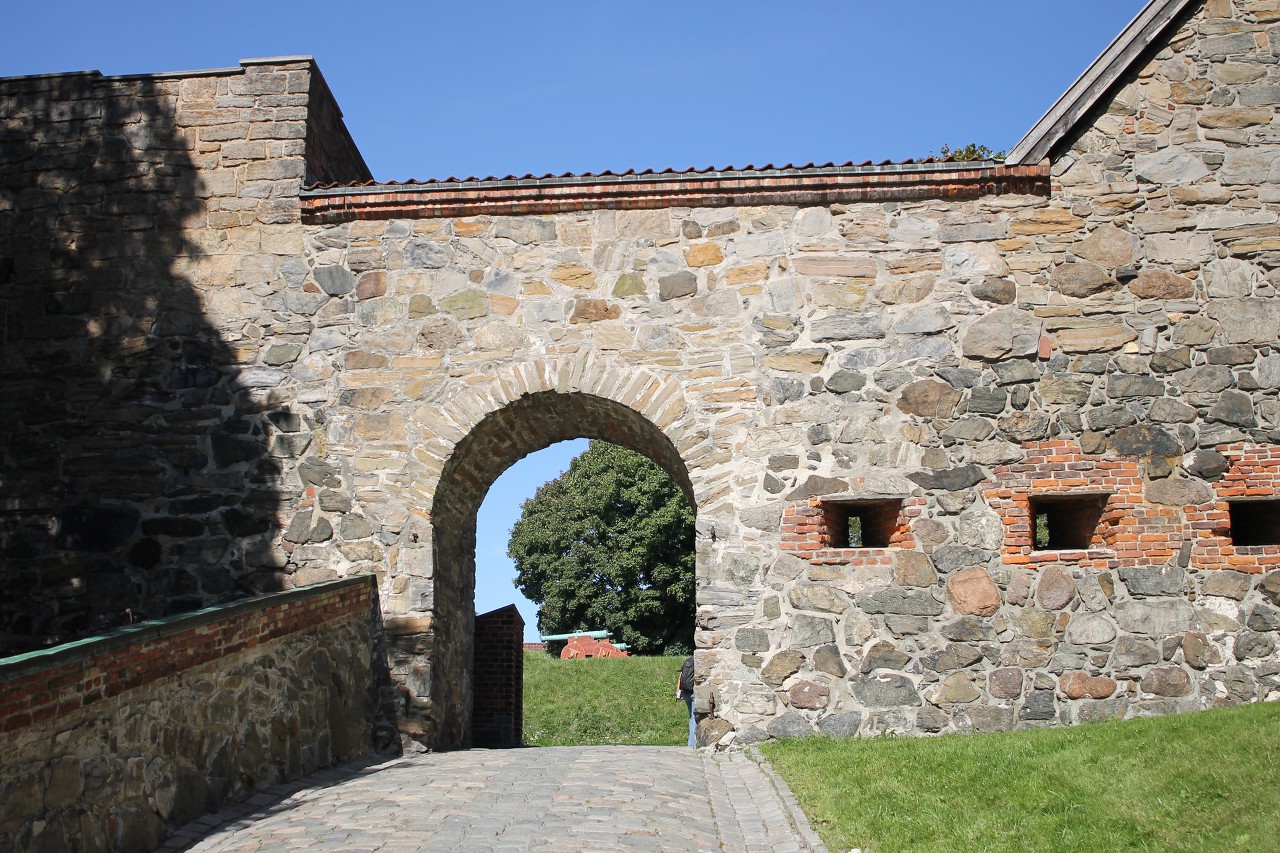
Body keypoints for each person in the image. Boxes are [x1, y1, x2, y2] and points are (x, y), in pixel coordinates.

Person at [676, 655, 695, 747]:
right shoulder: (699, 661)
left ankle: (691, 743)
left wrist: (678, 691)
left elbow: (681, 676)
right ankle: (691, 744)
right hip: (694, 692)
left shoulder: (688, 661)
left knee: (692, 717)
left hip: (685, 692)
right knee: (695, 719)